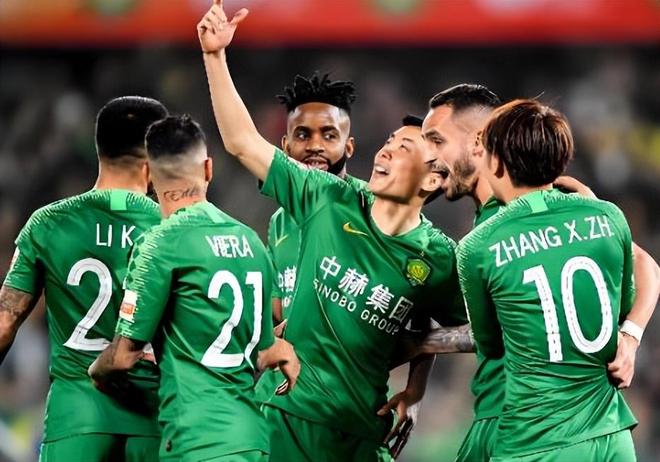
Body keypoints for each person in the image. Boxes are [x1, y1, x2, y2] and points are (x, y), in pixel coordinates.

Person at [197, 3, 467, 460]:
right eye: (387, 143)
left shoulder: (438, 256)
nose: (384, 152)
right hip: (287, 414)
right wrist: (214, 57)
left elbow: (461, 324)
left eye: (403, 148)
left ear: (432, 179)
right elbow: (242, 142)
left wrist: (416, 386)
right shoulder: (327, 197)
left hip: (362, 427)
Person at [420, 85, 660, 461]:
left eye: (436, 141)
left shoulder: (488, 238)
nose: (428, 156)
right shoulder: (588, 211)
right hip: (599, 427)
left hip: (526, 426)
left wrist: (630, 336)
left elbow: (647, 267)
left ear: (481, 145)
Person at [89, 115, 300, 462]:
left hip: (196, 439)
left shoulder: (159, 244)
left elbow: (124, 356)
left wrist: (97, 370)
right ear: (208, 169)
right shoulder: (252, 241)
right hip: (251, 438)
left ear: (147, 174)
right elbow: (262, 351)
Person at [0, 96, 168, 461]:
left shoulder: (48, 223)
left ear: (100, 150)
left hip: (75, 418)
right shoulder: (173, 228)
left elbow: (5, 323)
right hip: (154, 421)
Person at [268, 71, 362, 322]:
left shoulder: (369, 205)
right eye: (303, 135)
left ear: (349, 147)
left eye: (329, 135)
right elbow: (278, 306)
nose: (315, 146)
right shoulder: (279, 221)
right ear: (285, 146)